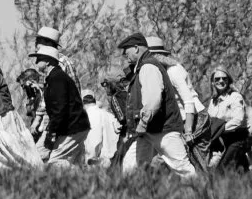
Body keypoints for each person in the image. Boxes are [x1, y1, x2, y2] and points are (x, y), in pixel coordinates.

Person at [116, 33, 199, 179]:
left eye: (126, 51)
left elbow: (153, 100)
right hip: (150, 131)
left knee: (183, 170)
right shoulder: (144, 66)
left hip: (163, 130)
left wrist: (142, 122)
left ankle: (205, 198)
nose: (124, 55)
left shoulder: (148, 67)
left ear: (136, 48)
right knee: (130, 168)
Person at [31, 45, 91, 168]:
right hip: (75, 127)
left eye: (39, 58)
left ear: (47, 61)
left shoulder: (57, 78)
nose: (36, 62)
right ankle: (92, 177)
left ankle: (90, 174)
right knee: (77, 164)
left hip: (72, 128)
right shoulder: (54, 77)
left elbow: (60, 108)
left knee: (55, 163)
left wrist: (51, 131)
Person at [203, 67, 249, 171]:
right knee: (241, 171)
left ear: (229, 81)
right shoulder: (212, 101)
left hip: (238, 138)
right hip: (223, 140)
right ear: (213, 82)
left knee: (222, 170)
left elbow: (238, 120)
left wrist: (219, 129)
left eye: (224, 78)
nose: (221, 81)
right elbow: (211, 121)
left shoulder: (235, 97)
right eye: (217, 79)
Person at [81, 90, 121, 168]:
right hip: (112, 160)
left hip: (97, 163)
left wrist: (89, 160)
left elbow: (94, 143)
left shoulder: (90, 115)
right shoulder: (108, 115)